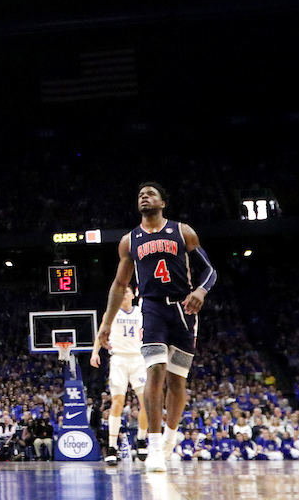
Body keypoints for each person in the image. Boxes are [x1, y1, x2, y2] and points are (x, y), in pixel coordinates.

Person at [97, 182, 217, 473]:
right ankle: (153, 446)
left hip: (184, 309)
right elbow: (120, 285)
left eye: (150, 194)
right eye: (140, 194)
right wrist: (106, 324)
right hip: (151, 309)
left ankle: (169, 440)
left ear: (163, 203)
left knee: (177, 381)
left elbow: (210, 270)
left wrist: (200, 291)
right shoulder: (129, 241)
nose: (144, 197)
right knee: (154, 371)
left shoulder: (182, 231)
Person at [91, 285, 149, 464]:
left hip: (138, 358)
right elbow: (101, 332)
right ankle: (112, 447)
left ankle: (141, 439)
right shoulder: (111, 313)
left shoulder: (141, 312)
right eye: (122, 292)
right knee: (117, 403)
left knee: (146, 402)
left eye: (127, 292)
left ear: (133, 295)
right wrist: (95, 353)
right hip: (118, 359)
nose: (124, 294)